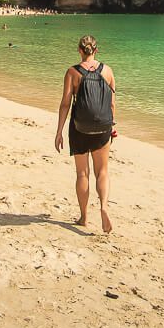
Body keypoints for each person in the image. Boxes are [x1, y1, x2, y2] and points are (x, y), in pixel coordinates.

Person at [55, 35, 116, 233]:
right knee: (103, 172)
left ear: (80, 50)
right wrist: (112, 126)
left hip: (79, 127)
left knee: (83, 173)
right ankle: (104, 207)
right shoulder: (107, 71)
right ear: (96, 51)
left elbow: (65, 104)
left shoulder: (72, 72)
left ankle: (83, 217)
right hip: (103, 127)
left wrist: (59, 132)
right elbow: (112, 103)